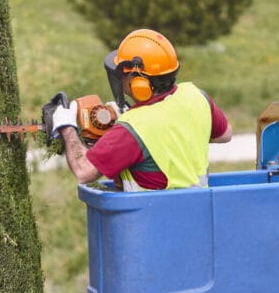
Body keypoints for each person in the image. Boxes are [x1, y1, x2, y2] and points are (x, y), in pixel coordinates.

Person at [50, 28, 232, 191]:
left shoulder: (132, 128)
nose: (121, 79)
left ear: (139, 82)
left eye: (124, 75)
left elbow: (83, 171)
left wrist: (67, 127)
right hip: (198, 218)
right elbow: (225, 135)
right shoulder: (196, 96)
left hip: (150, 222)